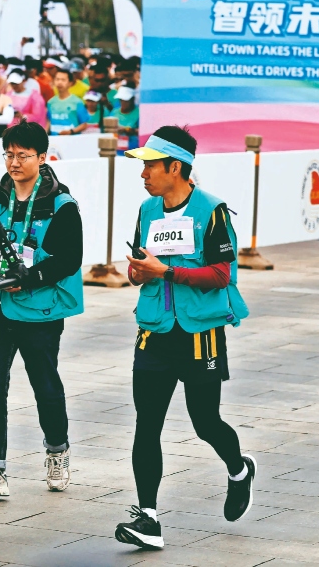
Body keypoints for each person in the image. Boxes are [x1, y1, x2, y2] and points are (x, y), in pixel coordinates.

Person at [115, 126, 255, 550]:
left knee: (205, 422)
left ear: (176, 167)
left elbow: (221, 275)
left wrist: (168, 272)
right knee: (147, 425)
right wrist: (139, 271)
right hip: (154, 332)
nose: (144, 175)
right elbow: (140, 270)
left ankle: (239, 470)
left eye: (151, 166)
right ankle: (149, 519)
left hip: (200, 335)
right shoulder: (147, 210)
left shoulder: (212, 211)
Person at [0, 121, 83, 499]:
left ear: (42, 157)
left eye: (23, 155)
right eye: (9, 154)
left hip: (40, 311)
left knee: (44, 384)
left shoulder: (62, 205)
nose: (14, 162)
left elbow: (70, 259)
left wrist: (31, 277)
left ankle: (57, 451)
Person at [46, 68, 90, 135]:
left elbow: (84, 124)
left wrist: (70, 132)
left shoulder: (77, 102)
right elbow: (49, 121)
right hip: (55, 142)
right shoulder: (50, 102)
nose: (59, 82)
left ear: (70, 83)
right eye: (57, 79)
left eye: (63, 80)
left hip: (72, 141)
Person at [113, 85, 139, 152]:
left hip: (133, 149)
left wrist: (127, 130)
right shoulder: (114, 112)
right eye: (121, 100)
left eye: (126, 100)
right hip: (116, 149)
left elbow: (142, 131)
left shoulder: (139, 112)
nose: (123, 103)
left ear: (132, 99)